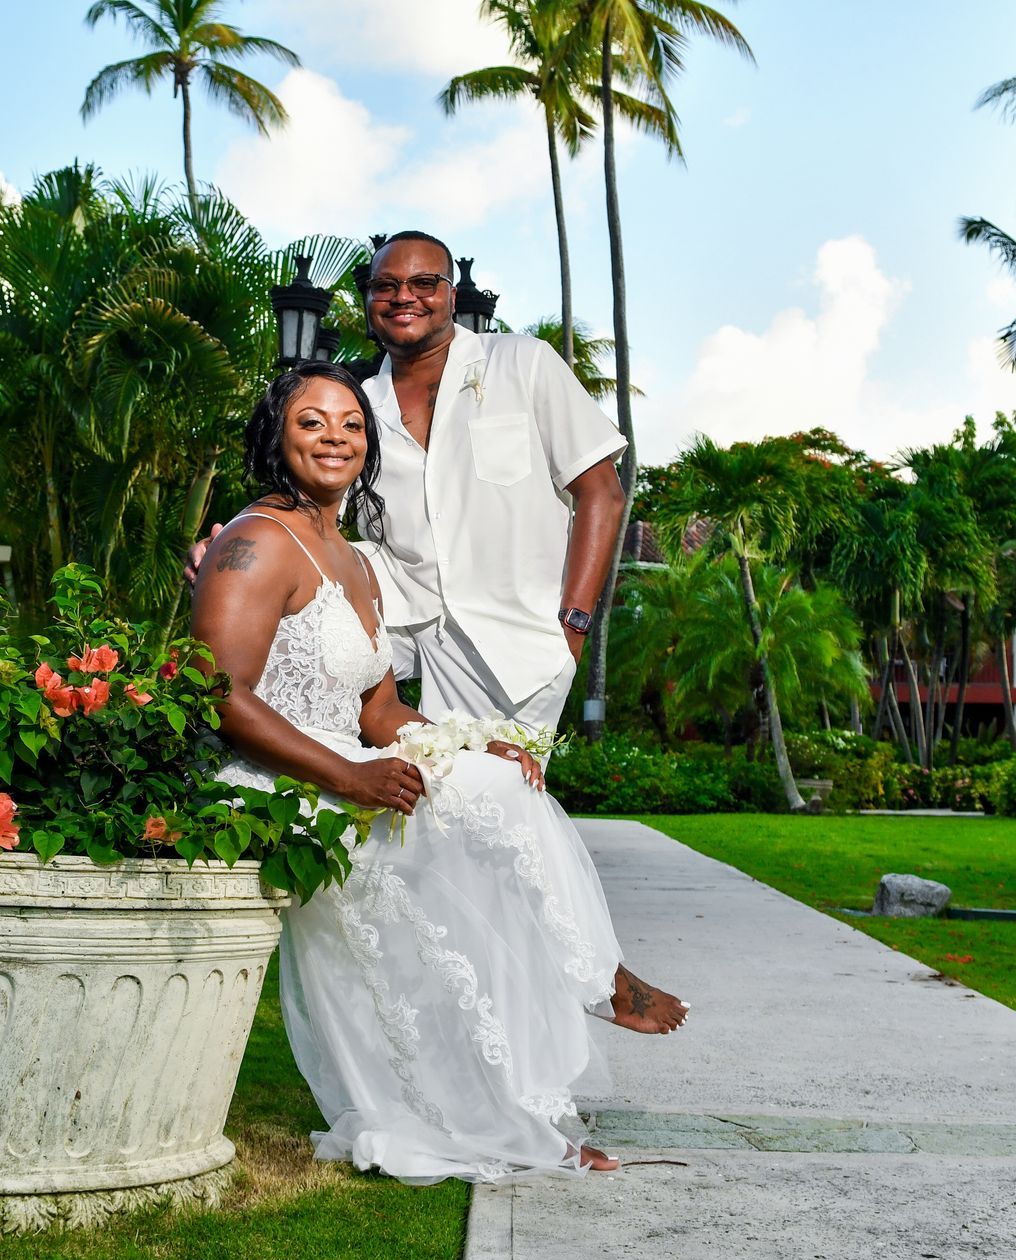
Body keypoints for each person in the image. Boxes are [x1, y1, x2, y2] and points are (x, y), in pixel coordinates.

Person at [192, 361, 687, 1185]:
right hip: (272, 776)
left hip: (341, 758)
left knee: (504, 786)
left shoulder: (349, 559)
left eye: (351, 424)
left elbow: (381, 713)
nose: (336, 438)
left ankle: (566, 1013)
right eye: (312, 421)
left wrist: (472, 745)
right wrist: (350, 781)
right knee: (440, 900)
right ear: (276, 434)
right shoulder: (253, 541)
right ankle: (523, 1070)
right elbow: (221, 696)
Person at [190, 229, 627, 735]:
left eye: (424, 282)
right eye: (386, 285)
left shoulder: (522, 364)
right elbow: (309, 509)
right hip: (397, 621)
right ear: (369, 297)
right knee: (302, 704)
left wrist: (572, 625)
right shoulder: (361, 405)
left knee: (492, 797)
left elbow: (602, 493)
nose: (404, 296)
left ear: (451, 295)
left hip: (519, 645)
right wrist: (236, 549)